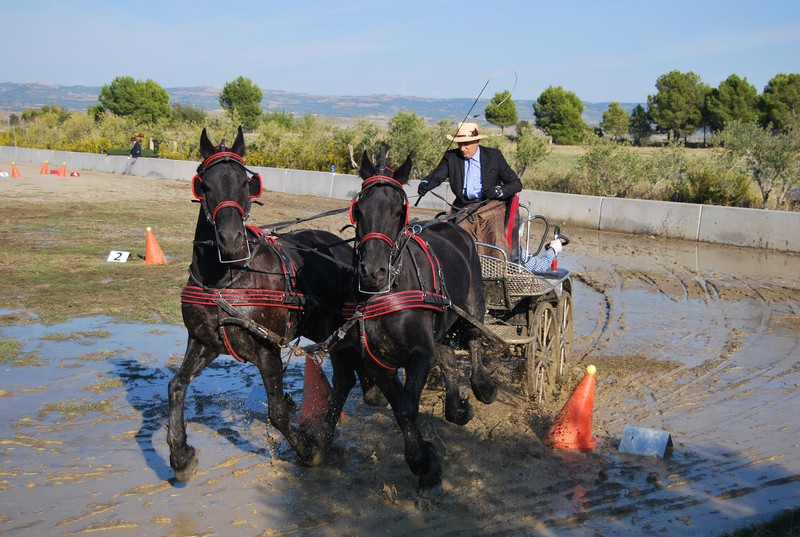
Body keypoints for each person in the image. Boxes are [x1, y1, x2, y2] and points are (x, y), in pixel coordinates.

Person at [418, 122, 522, 259]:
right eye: (460, 144)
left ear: (477, 141)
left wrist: (498, 190)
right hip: (464, 209)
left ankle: (498, 275)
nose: (462, 148)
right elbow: (436, 177)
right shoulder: (451, 157)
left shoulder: (494, 156)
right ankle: (465, 275)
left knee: (496, 237)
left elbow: (516, 184)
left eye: (466, 144)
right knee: (461, 238)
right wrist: (426, 183)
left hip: (492, 208)